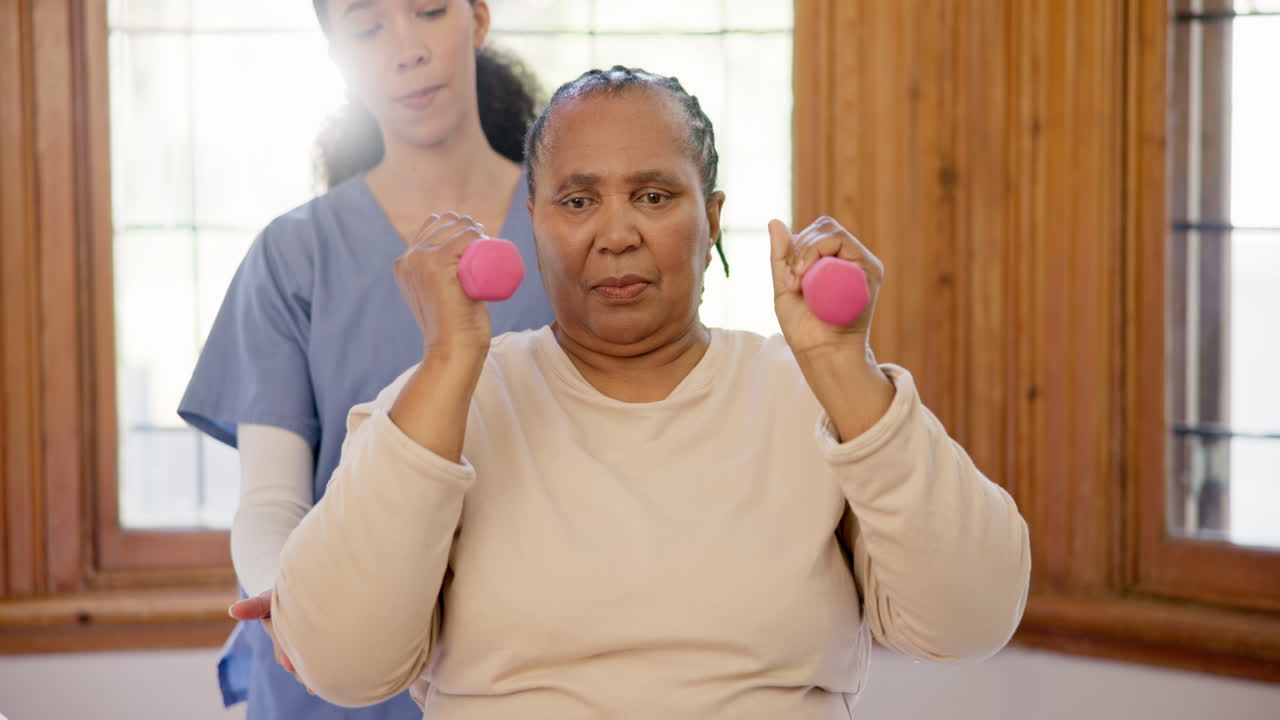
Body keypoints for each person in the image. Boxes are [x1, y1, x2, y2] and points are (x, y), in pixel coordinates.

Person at [269, 66, 1032, 719]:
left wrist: (841, 364)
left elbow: (971, 617)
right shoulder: (447, 401)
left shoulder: (811, 396)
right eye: (578, 201)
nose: (617, 234)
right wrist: (447, 359)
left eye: (656, 196)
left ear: (713, 220)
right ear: (532, 222)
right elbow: (342, 664)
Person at [177, 1, 554, 718]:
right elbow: (272, 499)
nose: (406, 49)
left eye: (430, 10)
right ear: (336, 52)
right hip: (337, 683)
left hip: (533, 670)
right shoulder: (295, 255)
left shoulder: (572, 233)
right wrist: (293, 607)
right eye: (368, 27)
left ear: (477, 18)